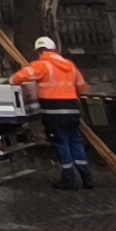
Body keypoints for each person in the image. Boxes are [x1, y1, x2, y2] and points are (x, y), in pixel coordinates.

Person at [13, 36, 92, 191]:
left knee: (61, 144)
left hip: (54, 112)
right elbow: (82, 87)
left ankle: (69, 179)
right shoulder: (70, 65)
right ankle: (86, 178)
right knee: (75, 143)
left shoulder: (42, 65)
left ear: (41, 51)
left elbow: (17, 79)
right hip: (72, 110)